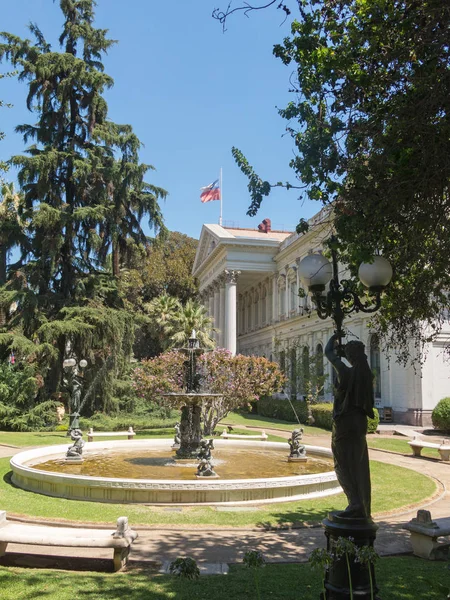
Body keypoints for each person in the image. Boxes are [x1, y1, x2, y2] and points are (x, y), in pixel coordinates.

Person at [325, 333, 375, 519]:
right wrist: (345, 351)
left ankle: (354, 503)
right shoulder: (366, 374)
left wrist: (335, 337)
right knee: (359, 466)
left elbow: (328, 352)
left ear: (350, 356)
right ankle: (361, 505)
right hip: (359, 425)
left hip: (345, 426)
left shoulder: (346, 373)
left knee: (343, 464)